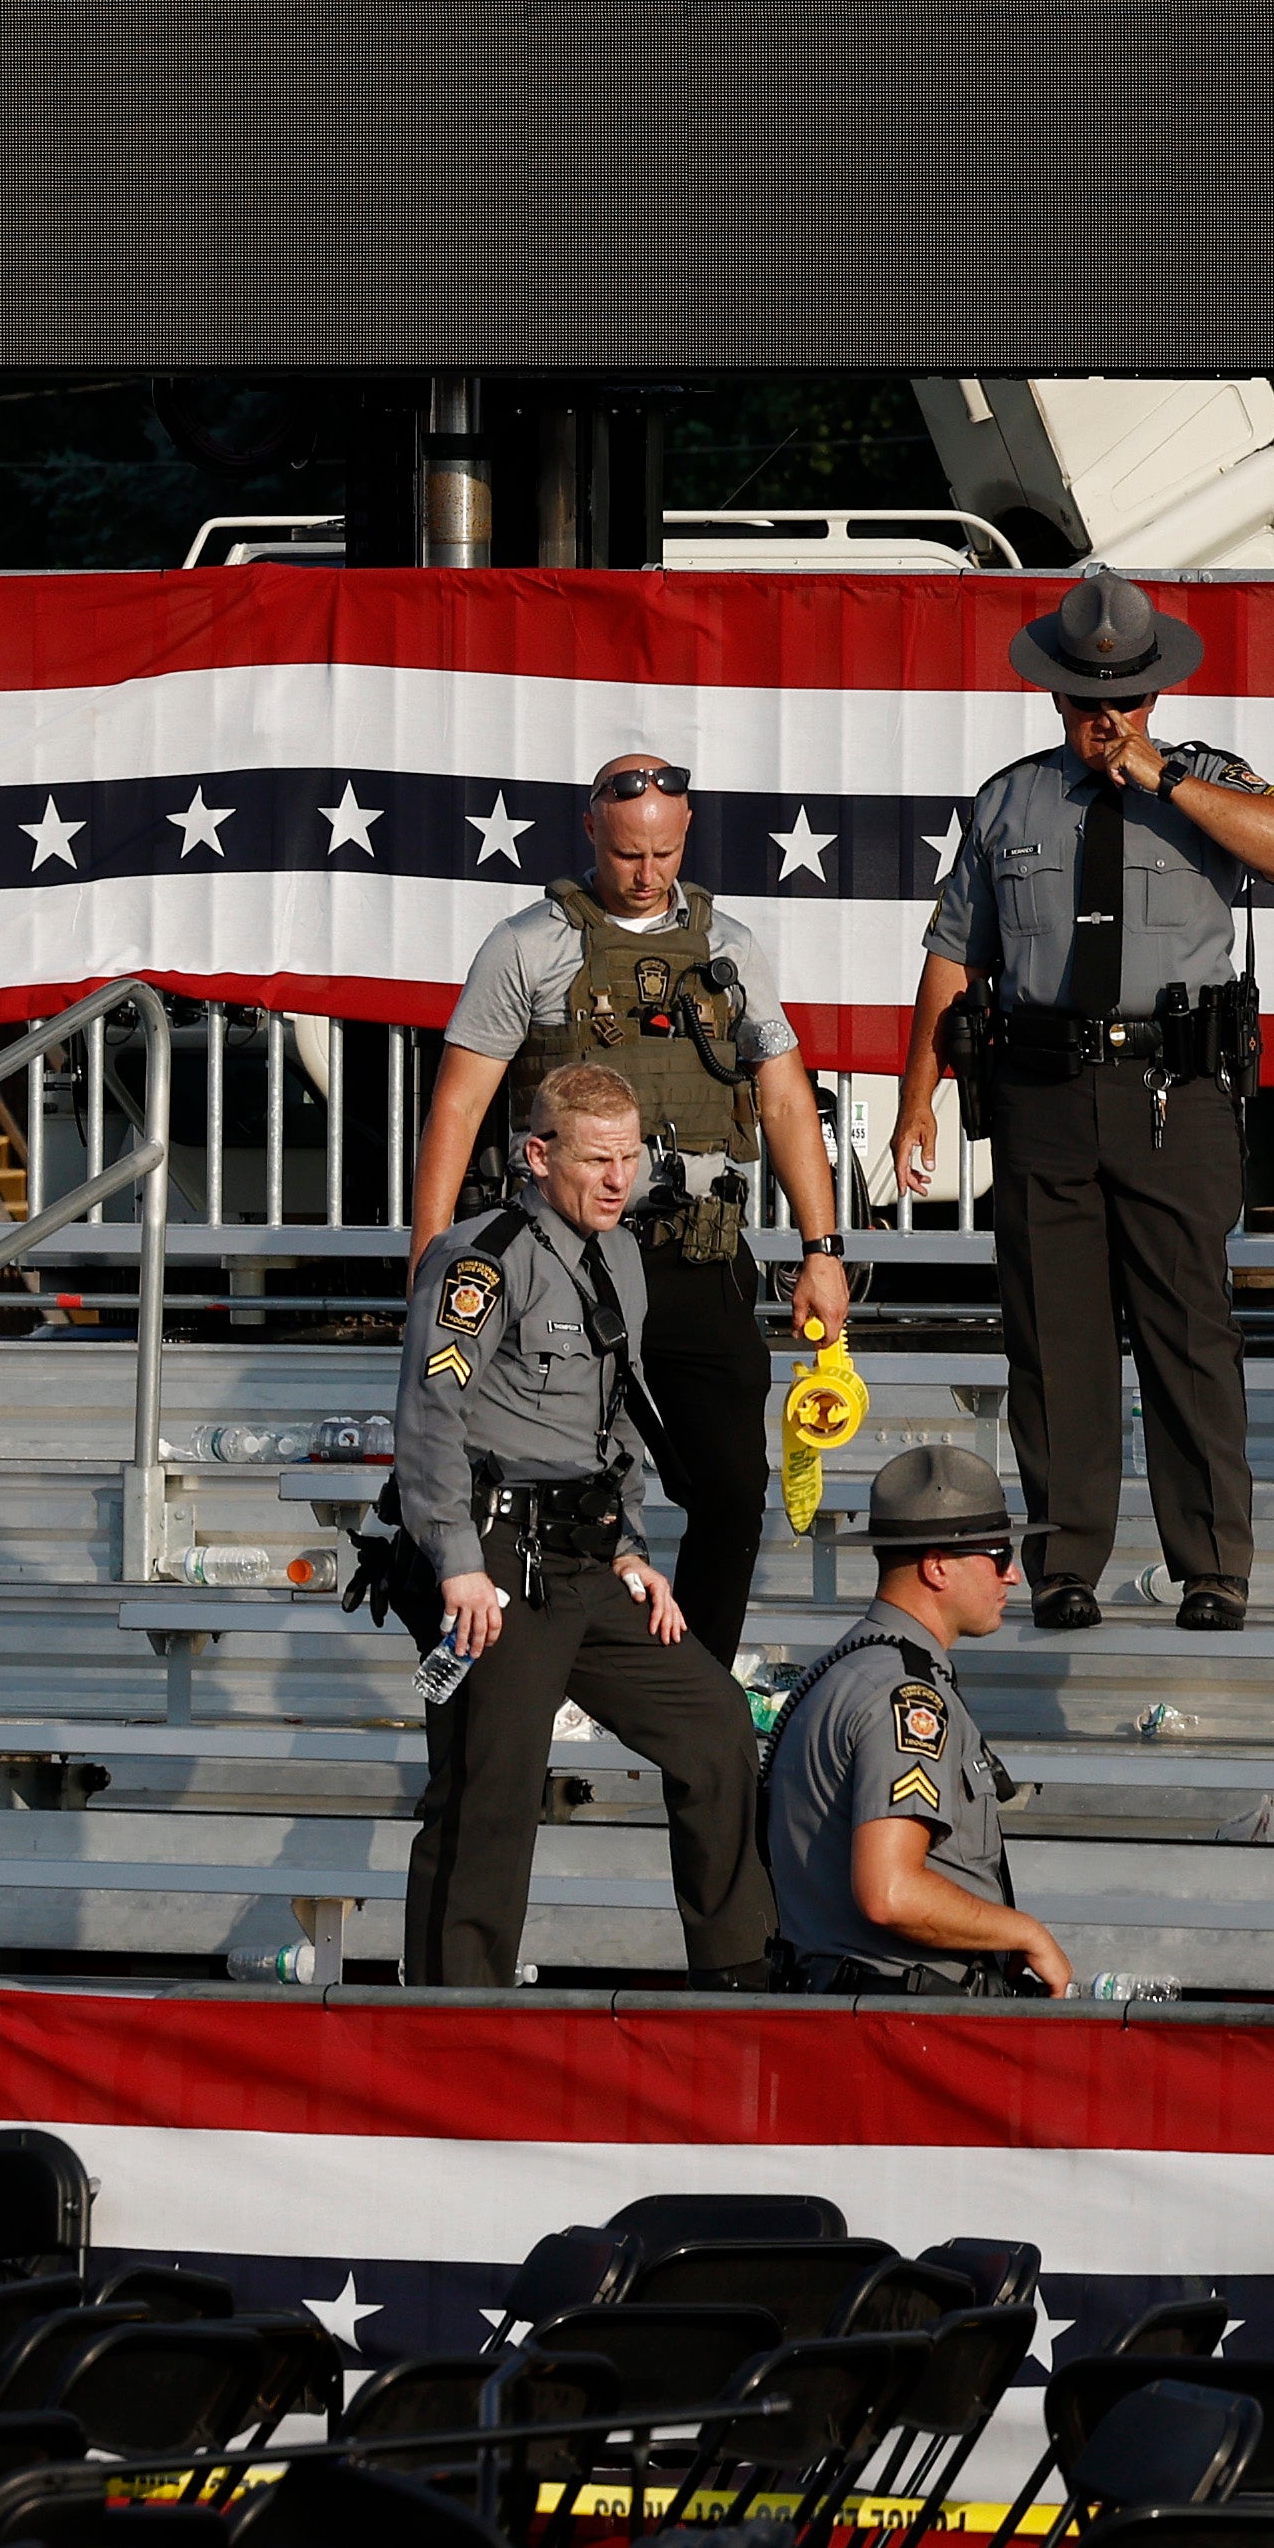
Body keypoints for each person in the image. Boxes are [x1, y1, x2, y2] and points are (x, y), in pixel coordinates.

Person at [892, 569, 1274, 1633]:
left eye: (1123, 700)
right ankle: (1061, 1562)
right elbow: (953, 958)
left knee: (1187, 1335)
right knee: (1054, 1339)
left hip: (1171, 1094)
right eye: (1088, 702)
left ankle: (1210, 1565)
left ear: (1152, 699)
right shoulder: (1008, 801)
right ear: (1054, 700)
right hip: (1041, 1089)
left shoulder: (1207, 781)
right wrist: (917, 1100)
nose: (1105, 719)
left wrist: (1164, 778)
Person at [412, 752, 851, 1669]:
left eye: (661, 854)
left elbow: (782, 1097)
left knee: (731, 1491)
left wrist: (823, 1246)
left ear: (685, 836)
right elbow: (458, 1104)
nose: (646, 874)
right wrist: (430, 1253)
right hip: (560, 1265)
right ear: (590, 833)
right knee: (561, 1487)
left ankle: (693, 1688)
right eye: (625, 856)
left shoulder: (731, 948)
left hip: (697, 1256)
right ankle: (560, 1670)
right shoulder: (529, 945)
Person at [394, 1061, 779, 1990]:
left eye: (632, 1156)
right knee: (490, 1789)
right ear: (537, 1155)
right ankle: (454, 2012)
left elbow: (618, 1426)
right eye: (597, 1159)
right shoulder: (479, 1260)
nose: (620, 1178)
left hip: (589, 1556)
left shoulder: (621, 1259)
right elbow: (429, 1420)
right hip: (495, 1555)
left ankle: (739, 1975)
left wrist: (636, 1551)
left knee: (716, 1724)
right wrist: (454, 1563)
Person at [762, 1446, 1073, 1998]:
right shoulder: (906, 1695)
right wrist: (1026, 1934)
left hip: (855, 2003)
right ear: (937, 1566)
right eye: (999, 1555)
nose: (1015, 1576)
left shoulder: (853, 1665)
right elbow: (891, 1891)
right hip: (898, 2016)